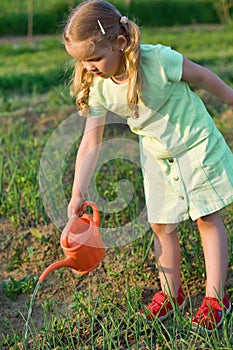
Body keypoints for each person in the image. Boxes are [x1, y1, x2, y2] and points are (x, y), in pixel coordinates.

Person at [63, 0, 233, 332]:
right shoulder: (98, 86)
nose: (88, 67)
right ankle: (172, 294)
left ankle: (216, 298)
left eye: (94, 58)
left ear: (120, 43)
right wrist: (76, 192)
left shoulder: (158, 60)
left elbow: (202, 76)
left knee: (207, 218)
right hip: (156, 156)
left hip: (194, 144)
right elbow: (91, 142)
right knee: (160, 225)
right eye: (82, 61)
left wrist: (231, 98)